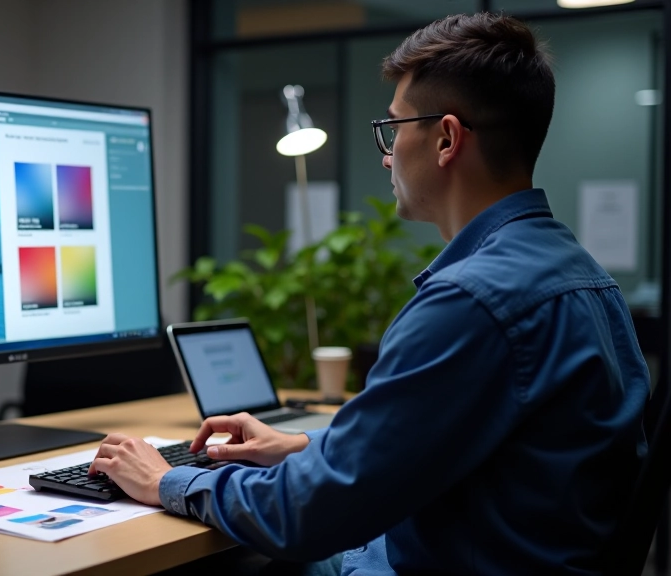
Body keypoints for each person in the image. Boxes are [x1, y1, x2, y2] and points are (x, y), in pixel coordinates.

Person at [87, 12, 652, 575]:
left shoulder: (472, 300)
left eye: (394, 128)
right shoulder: (583, 275)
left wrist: (166, 480)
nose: (386, 154)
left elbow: (308, 517)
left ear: (446, 139)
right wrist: (303, 446)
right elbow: (441, 436)